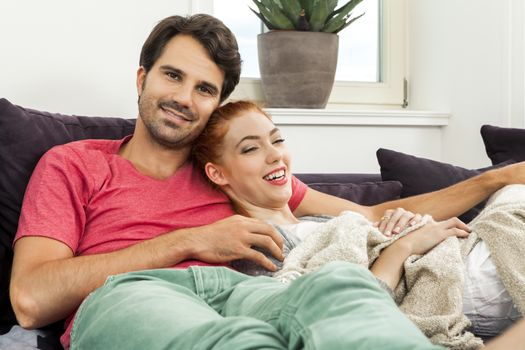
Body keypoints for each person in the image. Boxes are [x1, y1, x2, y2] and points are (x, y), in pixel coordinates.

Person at [8, 13, 525, 350]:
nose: (185, 97)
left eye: (204, 89)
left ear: (215, 105)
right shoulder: (74, 163)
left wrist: (496, 178)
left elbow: (366, 217)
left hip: (242, 290)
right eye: (172, 76)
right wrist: (190, 240)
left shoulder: (232, 172)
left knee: (340, 288)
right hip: (131, 295)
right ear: (142, 78)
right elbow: (31, 300)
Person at [192, 100, 523, 344]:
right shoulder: (257, 243)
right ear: (218, 172)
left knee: (512, 191)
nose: (275, 154)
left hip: (462, 250)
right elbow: (334, 311)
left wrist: (400, 225)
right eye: (251, 148)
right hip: (454, 280)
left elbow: (373, 221)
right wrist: (403, 246)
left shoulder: (320, 217)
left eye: (277, 140)